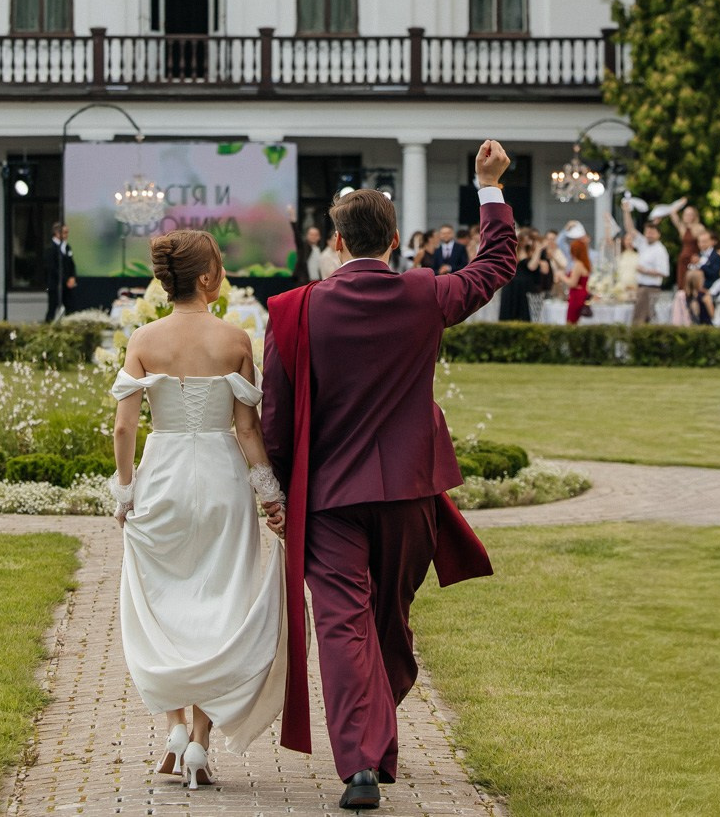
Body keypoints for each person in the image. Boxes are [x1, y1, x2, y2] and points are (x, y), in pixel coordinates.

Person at [261, 140, 516, 810]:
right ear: (396, 240)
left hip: (331, 498)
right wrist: (487, 187)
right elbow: (496, 264)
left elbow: (277, 419)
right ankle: (367, 756)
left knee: (349, 627)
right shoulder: (427, 293)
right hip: (408, 494)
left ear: (337, 242)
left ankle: (362, 756)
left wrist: (277, 488)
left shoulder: (294, 310)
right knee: (387, 623)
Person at [111, 229, 286, 790]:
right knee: (220, 603)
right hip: (220, 480)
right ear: (209, 279)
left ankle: (173, 730)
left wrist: (125, 488)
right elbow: (248, 429)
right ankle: (202, 744)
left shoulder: (144, 339)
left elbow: (123, 425)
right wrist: (270, 495)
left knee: (162, 602)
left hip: (161, 475)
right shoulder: (236, 339)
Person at [622, 201, 670, 325]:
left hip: (650, 288)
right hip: (641, 286)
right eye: (647, 231)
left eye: (652, 232)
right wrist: (627, 212)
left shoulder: (660, 250)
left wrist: (645, 271)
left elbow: (664, 272)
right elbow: (630, 230)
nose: (649, 234)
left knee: (639, 320)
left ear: (658, 234)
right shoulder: (644, 244)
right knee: (642, 318)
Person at [499, 229, 552, 322]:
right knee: (512, 315)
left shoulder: (534, 253)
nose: (528, 242)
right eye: (525, 240)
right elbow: (531, 266)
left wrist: (538, 252)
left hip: (527, 288)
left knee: (525, 315)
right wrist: (538, 251)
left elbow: (543, 269)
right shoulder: (516, 251)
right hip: (515, 286)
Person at [45, 222, 76, 322]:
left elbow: (72, 264)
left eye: (67, 233)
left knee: (69, 308)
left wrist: (72, 277)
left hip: (67, 285)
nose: (66, 235)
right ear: (57, 233)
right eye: (64, 233)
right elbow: (53, 268)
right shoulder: (50, 248)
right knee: (52, 309)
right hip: (55, 284)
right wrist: (65, 279)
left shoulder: (67, 247)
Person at [557, 237, 591, 325]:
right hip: (581, 294)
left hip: (576, 296)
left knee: (571, 322)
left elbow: (572, 283)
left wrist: (561, 276)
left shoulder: (578, 265)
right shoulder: (584, 264)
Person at [669, 200, 701, 289]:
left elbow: (703, 245)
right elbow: (672, 212)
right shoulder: (683, 228)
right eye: (686, 214)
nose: (688, 216)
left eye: (690, 214)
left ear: (694, 216)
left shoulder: (699, 228)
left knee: (692, 284)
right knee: (682, 285)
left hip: (693, 259)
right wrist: (681, 203)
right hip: (683, 259)